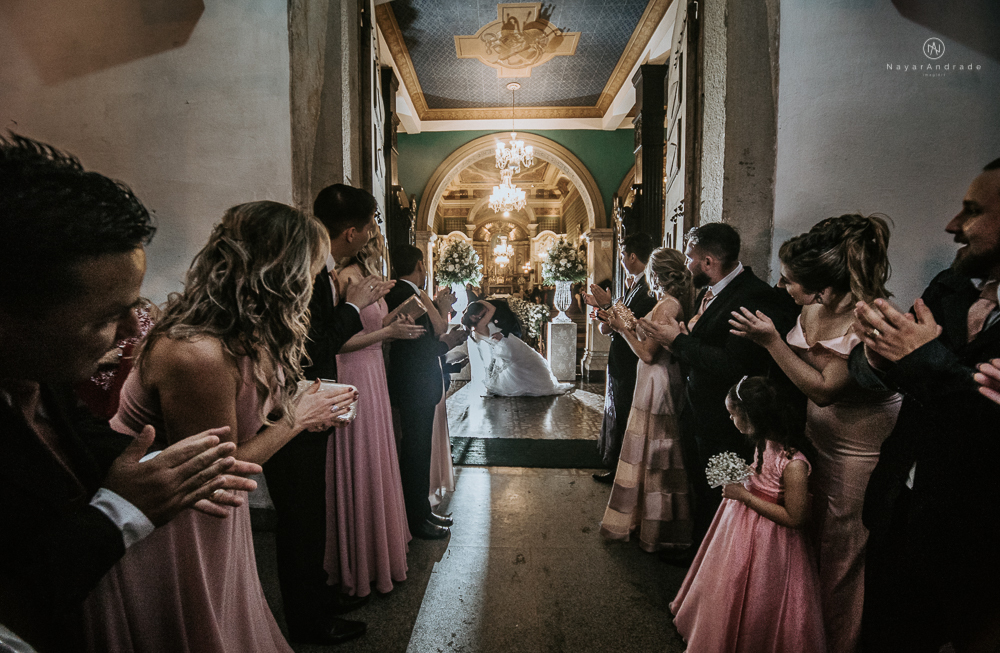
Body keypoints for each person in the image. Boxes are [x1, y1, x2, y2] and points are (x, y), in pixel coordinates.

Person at [0, 134, 259, 652]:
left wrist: (168, 468)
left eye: (133, 307)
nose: (128, 334)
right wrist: (118, 511)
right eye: (104, 317)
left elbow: (80, 437)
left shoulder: (40, 372)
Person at [82, 202, 353, 653]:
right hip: (170, 524)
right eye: (310, 271)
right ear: (281, 274)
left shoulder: (249, 333)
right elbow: (217, 470)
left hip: (212, 513)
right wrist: (297, 417)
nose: (315, 283)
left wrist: (296, 399)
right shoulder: (199, 352)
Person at [728, 214, 901, 653]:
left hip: (856, 458)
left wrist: (772, 342)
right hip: (815, 442)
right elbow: (803, 374)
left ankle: (836, 643)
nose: (781, 286)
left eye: (789, 280)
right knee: (805, 551)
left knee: (841, 562)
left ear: (822, 287)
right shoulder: (812, 308)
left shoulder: (868, 320)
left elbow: (825, 391)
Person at [849, 158, 1000, 652]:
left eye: (972, 211)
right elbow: (883, 373)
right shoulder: (949, 285)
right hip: (902, 508)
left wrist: (924, 359)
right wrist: (876, 359)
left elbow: (982, 418)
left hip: (977, 534)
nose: (953, 225)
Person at [263, 184, 392, 645]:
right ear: (352, 232)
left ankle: (319, 597)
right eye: (371, 224)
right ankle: (308, 621)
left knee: (311, 516)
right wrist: (355, 306)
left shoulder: (320, 270)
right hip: (294, 408)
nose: (373, 233)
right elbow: (316, 346)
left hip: (306, 405)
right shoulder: (314, 274)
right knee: (301, 522)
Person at [639, 223, 796, 559]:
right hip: (701, 410)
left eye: (690, 257)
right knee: (704, 486)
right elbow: (709, 346)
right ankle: (700, 555)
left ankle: (715, 561)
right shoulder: (711, 291)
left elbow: (734, 364)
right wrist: (686, 339)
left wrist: (678, 342)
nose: (687, 265)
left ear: (708, 261)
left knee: (722, 492)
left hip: (727, 420)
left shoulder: (750, 296)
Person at [670, 376, 826, 652]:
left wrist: (744, 496)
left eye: (733, 415)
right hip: (742, 527)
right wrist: (744, 474)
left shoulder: (794, 465)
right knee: (731, 584)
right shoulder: (764, 442)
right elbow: (760, 473)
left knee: (760, 593)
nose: (730, 420)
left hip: (773, 541)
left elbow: (796, 518)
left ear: (753, 418)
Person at [326, 232, 422, 599]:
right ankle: (357, 557)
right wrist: (389, 332)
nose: (381, 243)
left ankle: (380, 548)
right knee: (361, 456)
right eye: (375, 236)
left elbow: (374, 328)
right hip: (352, 371)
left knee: (377, 455)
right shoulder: (343, 278)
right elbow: (337, 342)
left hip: (373, 371)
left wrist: (397, 322)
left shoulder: (371, 279)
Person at [599, 247, 694, 552]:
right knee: (649, 449)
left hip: (657, 380)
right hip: (653, 378)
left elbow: (648, 353)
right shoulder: (669, 303)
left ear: (655, 274)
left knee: (656, 452)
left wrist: (622, 329)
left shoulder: (666, 306)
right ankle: (645, 518)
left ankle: (658, 527)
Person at [385, 245, 467, 540]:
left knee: (419, 451)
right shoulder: (405, 296)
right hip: (414, 384)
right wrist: (448, 343)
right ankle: (416, 519)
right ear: (420, 265)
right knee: (415, 454)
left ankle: (422, 511)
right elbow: (418, 349)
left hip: (416, 383)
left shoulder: (410, 294)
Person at [586, 233, 658, 483]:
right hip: (622, 359)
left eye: (623, 255)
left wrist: (608, 306)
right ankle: (619, 468)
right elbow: (621, 321)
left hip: (631, 361)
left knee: (627, 416)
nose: (622, 260)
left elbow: (633, 324)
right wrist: (603, 311)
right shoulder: (634, 284)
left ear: (633, 256)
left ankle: (624, 472)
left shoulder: (647, 288)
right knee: (620, 414)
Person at [462, 299, 572, 396]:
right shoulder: (481, 324)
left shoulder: (476, 327)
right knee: (526, 363)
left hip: (507, 342)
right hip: (507, 344)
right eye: (480, 314)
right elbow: (492, 308)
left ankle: (527, 385)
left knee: (522, 365)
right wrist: (479, 302)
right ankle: (534, 386)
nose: (484, 314)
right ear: (474, 316)